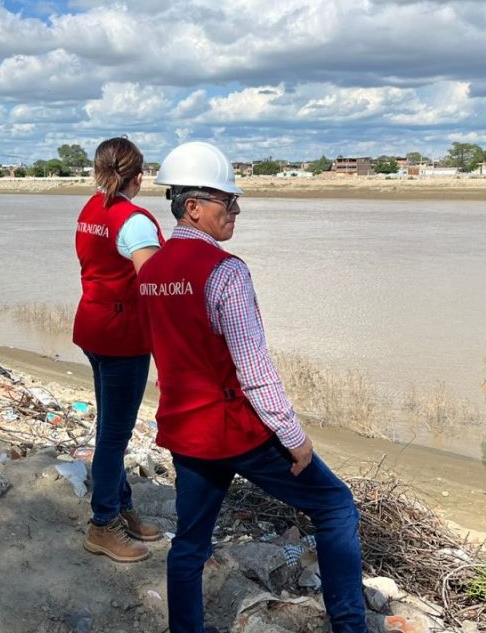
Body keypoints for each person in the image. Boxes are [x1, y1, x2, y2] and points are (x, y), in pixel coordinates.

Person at [137, 141, 368, 633]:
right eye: (228, 200)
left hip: (184, 430)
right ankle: (351, 626)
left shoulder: (151, 271)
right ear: (194, 207)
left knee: (190, 544)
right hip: (236, 431)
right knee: (334, 505)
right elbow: (254, 370)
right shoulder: (226, 272)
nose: (236, 210)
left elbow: (166, 349)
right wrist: (294, 437)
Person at [73, 137, 166, 563]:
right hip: (123, 337)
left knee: (111, 425)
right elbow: (157, 287)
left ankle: (121, 508)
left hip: (93, 327)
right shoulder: (135, 223)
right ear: (138, 175)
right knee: (114, 434)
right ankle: (102, 524)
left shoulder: (91, 210)